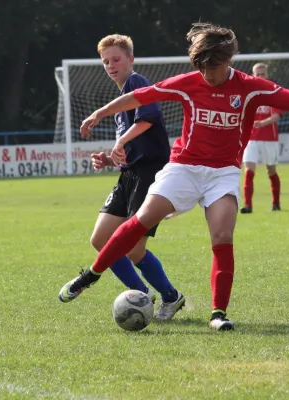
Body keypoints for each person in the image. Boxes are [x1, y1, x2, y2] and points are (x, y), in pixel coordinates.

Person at [59, 22, 289, 331]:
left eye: (214, 70)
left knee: (222, 237)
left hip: (222, 173)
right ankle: (91, 275)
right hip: (183, 167)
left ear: (227, 62)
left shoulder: (251, 88)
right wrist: (100, 113)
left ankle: (218, 313)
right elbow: (140, 97)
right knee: (141, 220)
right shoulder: (189, 81)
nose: (208, 77)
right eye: (203, 70)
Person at [59, 34, 185, 321]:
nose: (111, 65)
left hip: (149, 175)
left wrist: (119, 143)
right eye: (106, 61)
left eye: (116, 59)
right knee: (101, 239)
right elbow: (132, 143)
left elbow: (148, 117)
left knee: (133, 247)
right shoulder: (121, 100)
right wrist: (110, 156)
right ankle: (142, 295)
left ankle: (171, 296)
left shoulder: (136, 83)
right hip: (129, 175)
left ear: (130, 59)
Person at [240, 63, 284, 214]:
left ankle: (276, 203)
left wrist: (262, 123)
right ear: (252, 75)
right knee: (249, 171)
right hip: (250, 139)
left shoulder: (273, 92)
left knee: (271, 171)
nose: (260, 77)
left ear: (267, 75)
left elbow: (277, 115)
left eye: (262, 74)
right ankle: (248, 205)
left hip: (269, 139)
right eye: (257, 74)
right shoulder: (248, 94)